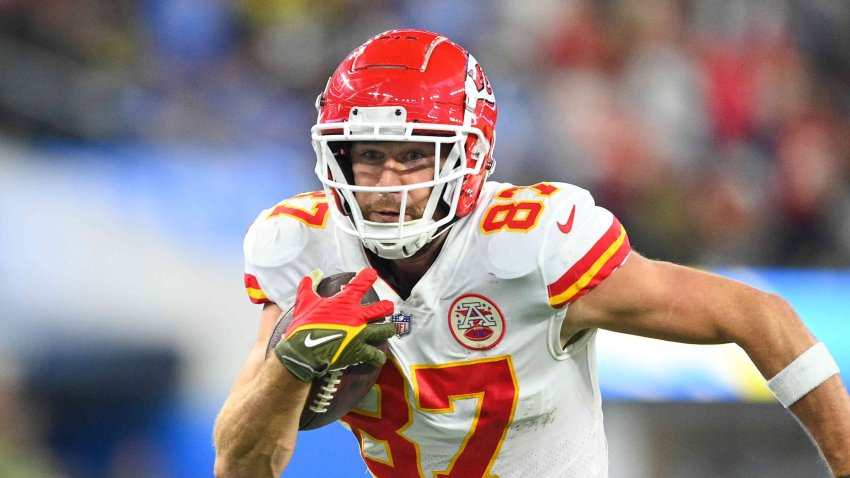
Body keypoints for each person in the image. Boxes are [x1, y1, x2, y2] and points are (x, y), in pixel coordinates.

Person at [213, 29, 850, 477]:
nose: (387, 184)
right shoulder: (303, 249)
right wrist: (290, 366)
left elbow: (759, 315)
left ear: (469, 156)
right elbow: (239, 466)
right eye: (369, 156)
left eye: (414, 156)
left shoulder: (534, 243)